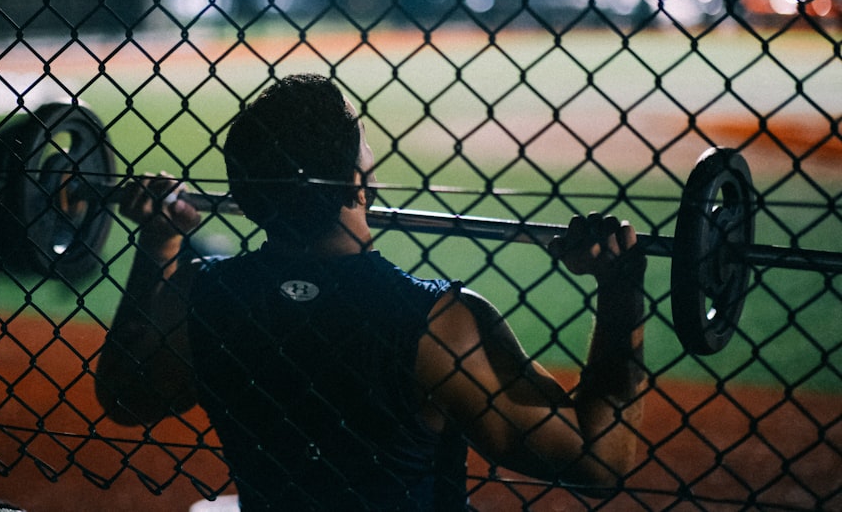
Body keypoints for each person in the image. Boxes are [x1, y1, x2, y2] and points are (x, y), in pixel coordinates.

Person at [95, 73, 647, 510]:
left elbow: (125, 399)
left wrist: (158, 245)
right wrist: (621, 290)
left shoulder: (207, 297)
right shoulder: (442, 322)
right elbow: (600, 459)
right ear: (359, 182)